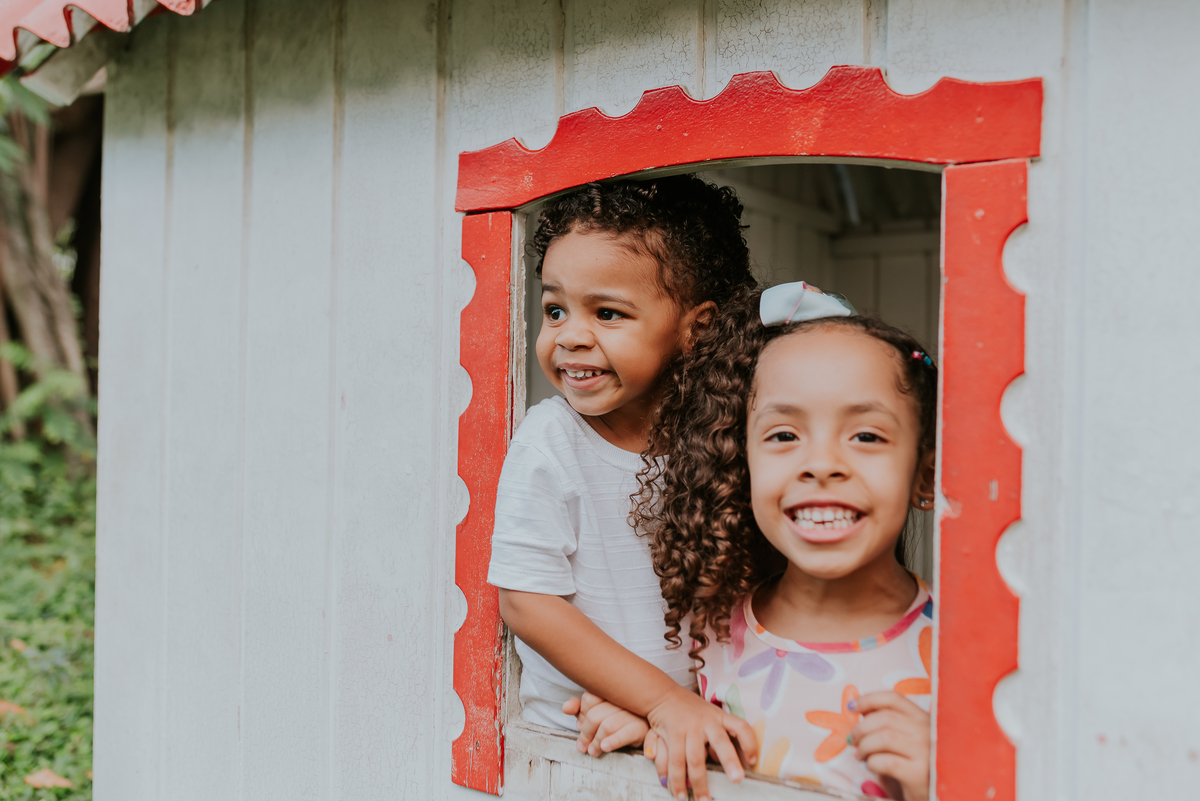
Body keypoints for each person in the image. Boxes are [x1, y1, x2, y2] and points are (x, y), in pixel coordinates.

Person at [574, 282, 937, 801]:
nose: (821, 465)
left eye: (866, 436)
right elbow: (699, 745)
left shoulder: (967, 655)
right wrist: (654, 734)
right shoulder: (710, 636)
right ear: (743, 468)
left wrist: (949, 781)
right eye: (784, 435)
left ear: (925, 474)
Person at [486, 175, 760, 801]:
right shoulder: (552, 438)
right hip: (577, 747)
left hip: (692, 728)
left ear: (696, 327)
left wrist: (671, 710)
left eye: (606, 313)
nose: (570, 335)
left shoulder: (721, 433)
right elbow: (529, 602)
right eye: (555, 309)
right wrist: (660, 702)